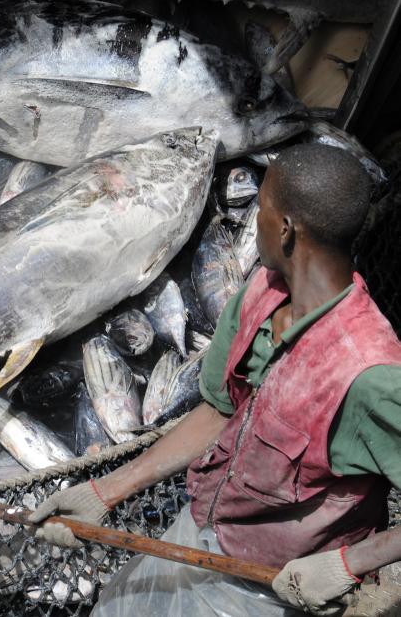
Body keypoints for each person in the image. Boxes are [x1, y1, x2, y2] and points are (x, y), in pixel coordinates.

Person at [28, 143, 401, 616]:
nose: (255, 219)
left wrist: (347, 565)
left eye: (262, 207)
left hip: (273, 585)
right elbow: (221, 410)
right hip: (203, 524)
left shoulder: (370, 375)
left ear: (285, 230)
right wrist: (105, 491)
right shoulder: (262, 293)